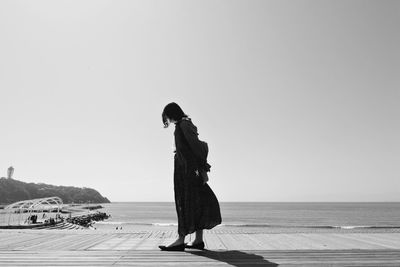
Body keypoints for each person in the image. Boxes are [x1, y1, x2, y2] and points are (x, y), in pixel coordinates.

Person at [159, 102, 222, 251]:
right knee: (196, 203)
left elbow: (196, 147)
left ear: (172, 113)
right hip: (187, 169)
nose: (167, 119)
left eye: (167, 116)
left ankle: (181, 240)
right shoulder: (183, 125)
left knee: (185, 204)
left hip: (187, 171)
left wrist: (202, 169)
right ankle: (198, 241)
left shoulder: (183, 125)